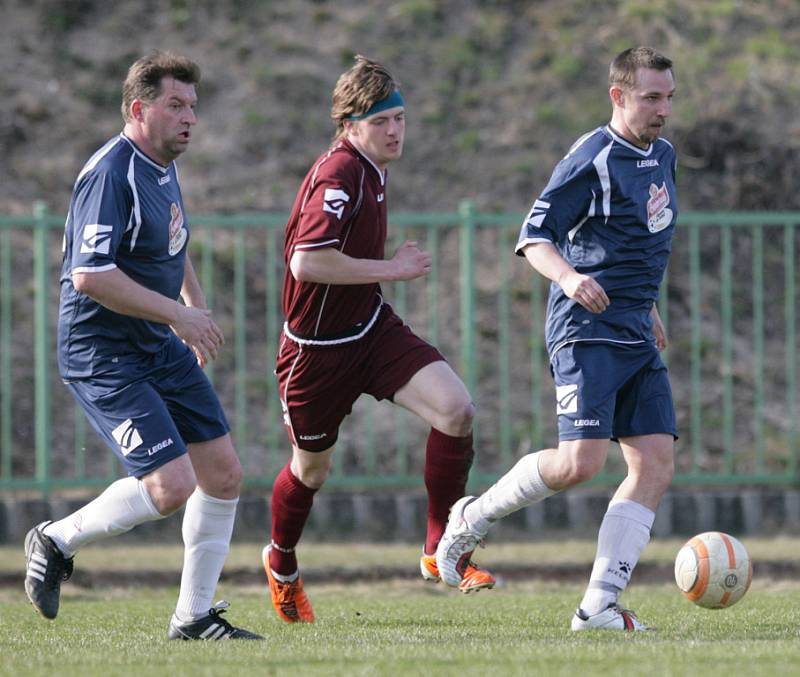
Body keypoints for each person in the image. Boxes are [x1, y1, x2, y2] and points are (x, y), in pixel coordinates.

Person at [436, 46, 678, 632]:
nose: (662, 110)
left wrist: (647, 307)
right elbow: (534, 236)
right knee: (579, 464)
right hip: (586, 332)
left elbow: (637, 239)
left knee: (655, 463)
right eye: (650, 97)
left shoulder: (664, 155)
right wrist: (570, 278)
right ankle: (471, 517)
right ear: (618, 96)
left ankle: (598, 606)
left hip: (632, 330)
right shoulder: (592, 157)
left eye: (669, 97)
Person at [23, 51, 262, 641]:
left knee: (223, 475)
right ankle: (55, 539)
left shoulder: (163, 164)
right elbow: (91, 276)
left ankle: (194, 617)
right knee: (170, 486)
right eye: (175, 105)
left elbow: (174, 242)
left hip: (155, 341)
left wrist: (193, 310)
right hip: (101, 351)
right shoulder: (111, 173)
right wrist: (179, 315)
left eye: (193, 107)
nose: (189, 118)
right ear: (138, 109)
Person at [263, 54, 495, 624]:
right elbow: (306, 263)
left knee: (456, 409)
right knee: (312, 471)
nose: (394, 131)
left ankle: (441, 548)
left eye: (400, 118)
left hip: (369, 328)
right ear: (349, 126)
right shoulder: (339, 173)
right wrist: (393, 268)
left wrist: (382, 281)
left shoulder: (373, 166)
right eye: (380, 121)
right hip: (313, 354)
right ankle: (282, 564)